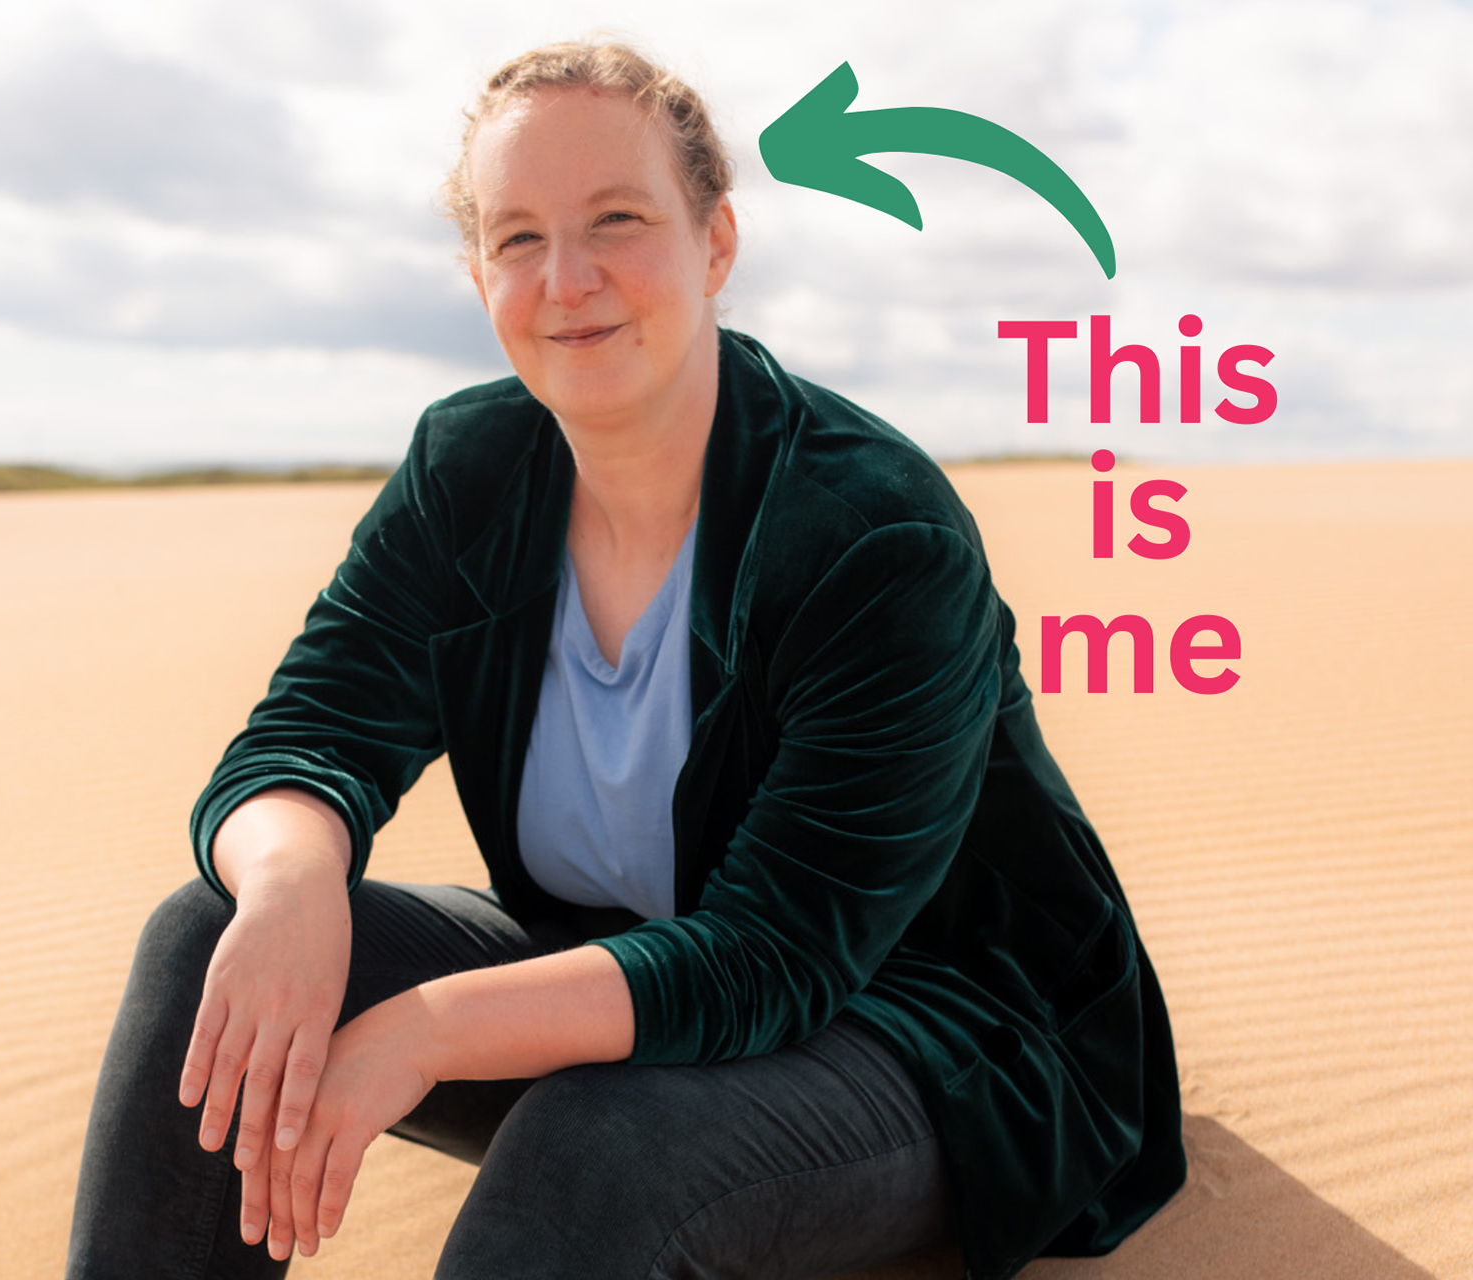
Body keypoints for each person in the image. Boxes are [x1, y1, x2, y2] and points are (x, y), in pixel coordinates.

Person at [65, 41, 1185, 1280]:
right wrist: (287, 884)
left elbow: (779, 951)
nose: (569, 279)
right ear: (478, 270)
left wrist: (424, 1029)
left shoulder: (873, 531)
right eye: (518, 238)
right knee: (212, 935)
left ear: (715, 244)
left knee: (591, 1142)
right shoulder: (470, 470)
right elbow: (310, 733)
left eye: (618, 219)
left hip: (921, 1023)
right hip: (619, 971)